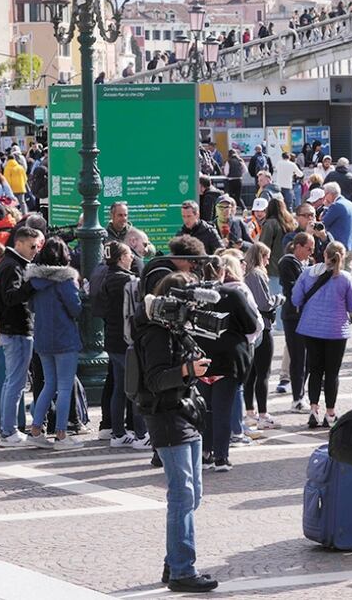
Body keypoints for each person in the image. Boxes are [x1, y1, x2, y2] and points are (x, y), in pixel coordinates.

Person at [134, 272, 219, 593]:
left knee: (193, 494)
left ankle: (174, 560)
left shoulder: (175, 328)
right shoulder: (155, 333)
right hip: (167, 418)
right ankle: (183, 569)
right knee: (182, 494)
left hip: (184, 413)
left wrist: (197, 371)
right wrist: (186, 370)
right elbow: (155, 380)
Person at [195, 255, 262, 472]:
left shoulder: (194, 295)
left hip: (201, 359)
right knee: (223, 409)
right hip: (227, 359)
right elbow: (252, 325)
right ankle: (221, 457)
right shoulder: (233, 294)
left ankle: (205, 454)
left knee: (205, 409)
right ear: (222, 272)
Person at [292, 241, 352, 428]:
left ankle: (313, 409)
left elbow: (296, 298)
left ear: (324, 255)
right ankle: (330, 413)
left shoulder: (308, 273)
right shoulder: (345, 278)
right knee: (332, 373)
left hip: (311, 328)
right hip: (336, 330)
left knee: (315, 370)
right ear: (342, 256)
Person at [24, 237, 82, 450]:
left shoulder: (35, 281)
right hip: (64, 337)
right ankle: (61, 435)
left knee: (49, 384)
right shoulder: (65, 280)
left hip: (43, 337)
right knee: (65, 386)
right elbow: (75, 308)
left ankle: (36, 430)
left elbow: (31, 306)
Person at [94, 241, 150, 449]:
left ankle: (118, 433)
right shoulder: (128, 281)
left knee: (119, 387)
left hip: (111, 338)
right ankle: (141, 434)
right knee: (136, 388)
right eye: (128, 255)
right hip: (127, 340)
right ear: (119, 258)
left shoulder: (103, 276)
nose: (132, 258)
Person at [0, 226, 43, 446]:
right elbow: (11, 297)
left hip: (12, 328)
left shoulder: (10, 263)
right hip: (17, 329)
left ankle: (8, 429)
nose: (35, 250)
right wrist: (32, 284)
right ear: (20, 243)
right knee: (15, 382)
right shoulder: (13, 266)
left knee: (11, 382)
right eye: (32, 246)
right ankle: (8, 431)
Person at [243, 243, 281, 430]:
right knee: (263, 373)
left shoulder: (246, 274)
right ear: (260, 256)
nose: (268, 261)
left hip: (248, 329)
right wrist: (279, 299)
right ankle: (263, 414)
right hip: (263, 328)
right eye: (266, 257)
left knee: (250, 373)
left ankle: (250, 412)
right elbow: (265, 304)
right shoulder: (256, 275)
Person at [279, 233, 313, 410]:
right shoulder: (288, 262)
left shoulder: (306, 263)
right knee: (298, 356)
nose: (311, 252)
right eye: (308, 248)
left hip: (306, 315)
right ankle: (297, 398)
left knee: (306, 358)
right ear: (298, 246)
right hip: (293, 316)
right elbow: (294, 289)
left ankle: (301, 393)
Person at [321, 182, 352, 258]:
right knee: (348, 269)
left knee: (337, 269)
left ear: (330, 194)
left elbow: (324, 223)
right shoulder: (351, 204)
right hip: (351, 246)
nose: (324, 198)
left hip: (338, 247)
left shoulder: (336, 205)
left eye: (325, 195)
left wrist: (326, 208)